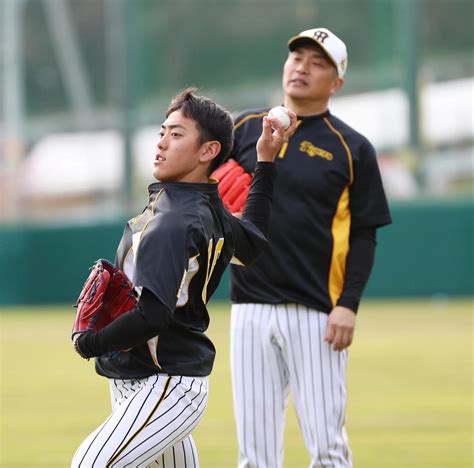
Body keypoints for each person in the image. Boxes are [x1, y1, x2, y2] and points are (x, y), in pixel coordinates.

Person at [70, 87, 296, 468]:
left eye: (177, 135)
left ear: (208, 152)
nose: (161, 143)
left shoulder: (174, 221)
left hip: (165, 384)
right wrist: (265, 161)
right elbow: (252, 244)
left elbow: (153, 316)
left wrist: (90, 343)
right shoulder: (204, 205)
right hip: (145, 378)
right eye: (162, 131)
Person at [222, 28, 392, 467]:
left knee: (328, 448)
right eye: (297, 57)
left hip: (316, 312)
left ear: (337, 83)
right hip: (249, 307)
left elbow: (364, 234)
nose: (301, 66)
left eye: (317, 63)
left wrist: (348, 304)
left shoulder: (351, 148)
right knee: (254, 454)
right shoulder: (242, 129)